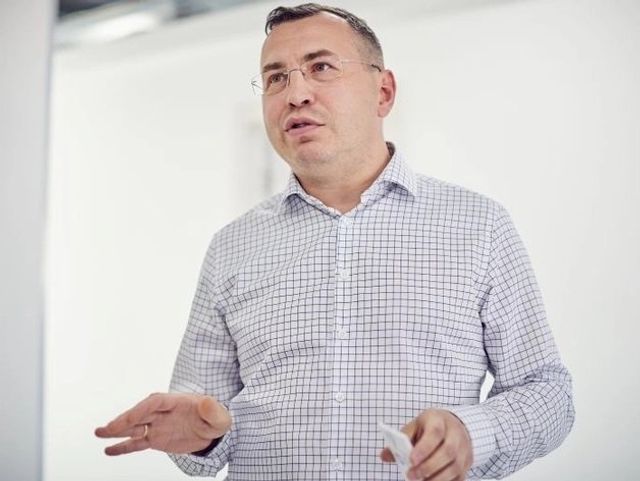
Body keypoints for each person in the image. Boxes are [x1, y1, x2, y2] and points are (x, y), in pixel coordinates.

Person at [95, 4, 575, 480]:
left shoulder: (478, 225)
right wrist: (204, 436)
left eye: (321, 67)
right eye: (276, 78)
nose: (295, 94)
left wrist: (473, 432)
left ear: (383, 92)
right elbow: (198, 429)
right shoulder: (231, 247)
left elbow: (547, 392)